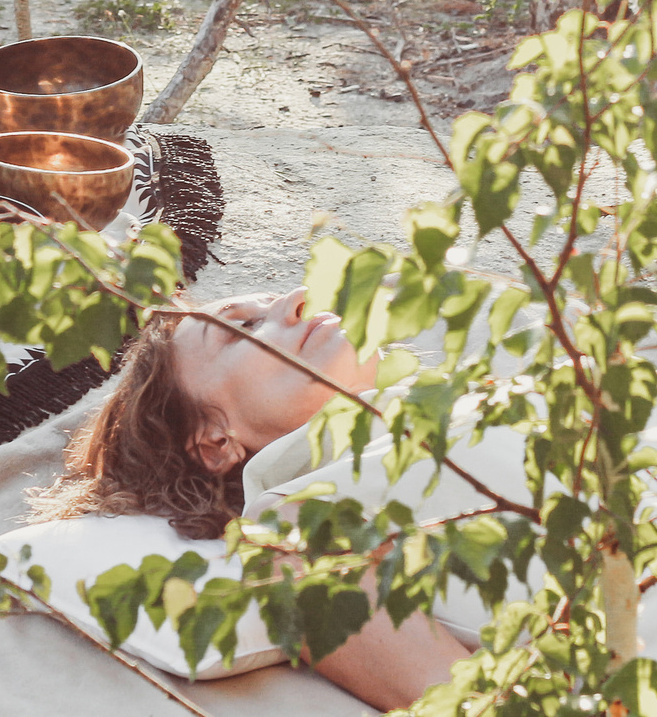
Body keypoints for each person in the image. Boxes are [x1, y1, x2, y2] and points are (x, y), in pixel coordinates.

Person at [31, 288, 472, 709]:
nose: (300, 298)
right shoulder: (299, 529)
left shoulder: (465, 398)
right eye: (246, 327)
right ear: (216, 443)